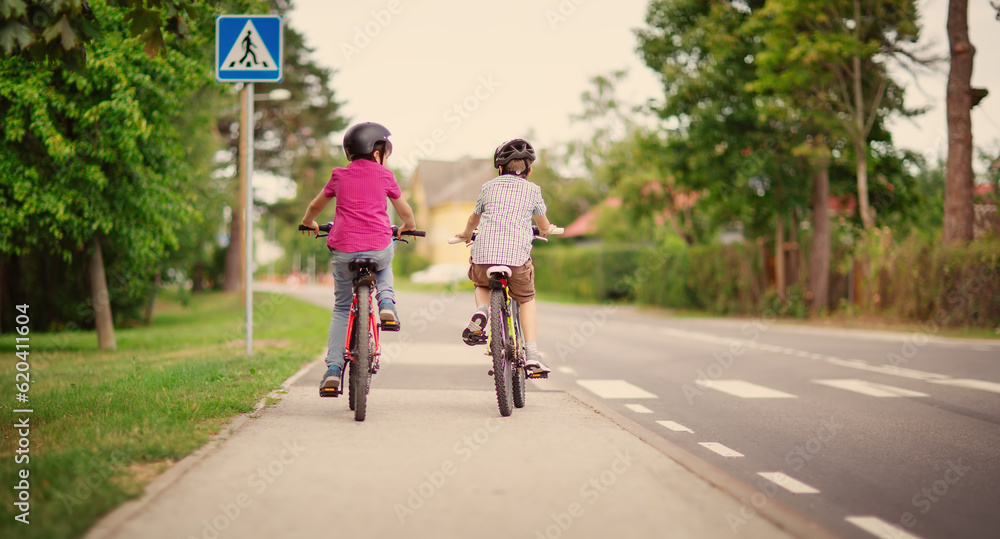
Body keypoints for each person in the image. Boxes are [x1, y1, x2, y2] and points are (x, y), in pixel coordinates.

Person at [300, 122, 416, 395]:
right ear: (377, 152)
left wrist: (309, 222)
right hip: (377, 247)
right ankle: (386, 302)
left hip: (344, 251)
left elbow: (316, 206)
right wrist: (407, 226)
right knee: (387, 251)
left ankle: (332, 369)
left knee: (341, 308)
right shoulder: (385, 176)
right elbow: (405, 212)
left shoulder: (339, 175)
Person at [454, 138, 554, 375]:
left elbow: (473, 219)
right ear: (529, 170)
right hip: (516, 260)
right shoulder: (533, 190)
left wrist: (467, 234)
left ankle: (483, 311)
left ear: (499, 168)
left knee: (481, 282)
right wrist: (547, 229)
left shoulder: (488, 187)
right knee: (526, 298)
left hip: (484, 255)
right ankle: (531, 353)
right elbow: (543, 223)